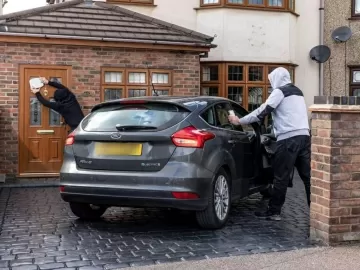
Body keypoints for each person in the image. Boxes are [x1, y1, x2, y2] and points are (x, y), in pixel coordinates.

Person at [228, 67, 311, 221]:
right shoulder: (298, 91)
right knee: (308, 177)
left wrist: (239, 120)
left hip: (288, 140)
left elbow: (263, 111)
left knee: (281, 176)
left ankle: (274, 212)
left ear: (276, 78)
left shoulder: (279, 92)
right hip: (305, 137)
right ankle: (316, 211)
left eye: (271, 80)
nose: (271, 83)